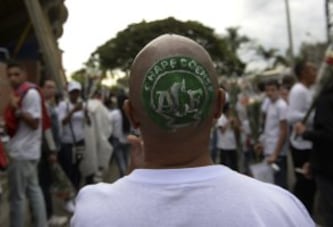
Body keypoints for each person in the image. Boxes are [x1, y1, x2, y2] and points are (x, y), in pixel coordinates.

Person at [71, 34, 314, 227]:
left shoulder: (92, 211)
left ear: (131, 114)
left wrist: (129, 188)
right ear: (219, 105)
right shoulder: (281, 209)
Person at [295, 77, 333, 227]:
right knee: (326, 206)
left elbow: (330, 135)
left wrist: (305, 132)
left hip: (326, 164)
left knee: (331, 209)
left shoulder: (326, 100)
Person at [5, 62, 48, 227]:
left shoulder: (29, 93)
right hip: (28, 151)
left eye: (16, 74)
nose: (12, 78)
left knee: (17, 197)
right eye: (9, 75)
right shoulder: (22, 93)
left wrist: (16, 110)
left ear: (24, 74)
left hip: (21, 153)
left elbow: (35, 122)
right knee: (33, 191)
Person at [287, 60, 317, 214]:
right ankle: (298, 215)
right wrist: (318, 116)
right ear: (303, 73)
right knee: (305, 185)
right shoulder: (298, 90)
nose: (316, 71)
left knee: (310, 185)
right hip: (301, 145)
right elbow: (291, 116)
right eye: (312, 69)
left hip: (309, 143)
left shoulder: (309, 90)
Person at [40, 80, 68, 225]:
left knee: (48, 183)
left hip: (54, 148)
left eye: (53, 87)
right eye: (48, 87)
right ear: (42, 88)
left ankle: (43, 214)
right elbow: (46, 131)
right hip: (45, 152)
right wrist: (51, 151)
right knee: (44, 183)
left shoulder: (51, 106)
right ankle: (47, 216)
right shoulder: (42, 106)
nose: (51, 90)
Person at [57, 81, 85, 212]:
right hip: (67, 143)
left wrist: (86, 112)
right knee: (68, 170)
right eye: (73, 92)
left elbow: (88, 123)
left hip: (80, 142)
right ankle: (67, 199)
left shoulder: (82, 105)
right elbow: (61, 122)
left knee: (77, 170)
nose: (75, 95)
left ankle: (75, 194)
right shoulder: (63, 105)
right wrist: (73, 111)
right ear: (69, 93)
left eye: (77, 92)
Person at [261, 80, 288, 188]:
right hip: (269, 148)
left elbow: (283, 131)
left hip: (277, 153)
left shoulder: (281, 106)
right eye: (267, 90)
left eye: (273, 90)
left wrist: (275, 154)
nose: (269, 93)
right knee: (270, 182)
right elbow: (269, 127)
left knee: (279, 184)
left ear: (279, 90)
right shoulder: (269, 104)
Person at [216, 103, 239, 171]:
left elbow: (235, 129)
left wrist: (235, 123)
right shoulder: (221, 118)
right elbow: (222, 130)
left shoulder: (231, 117)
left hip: (232, 144)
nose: (231, 111)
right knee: (224, 163)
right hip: (224, 145)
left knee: (234, 163)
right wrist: (228, 121)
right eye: (230, 109)